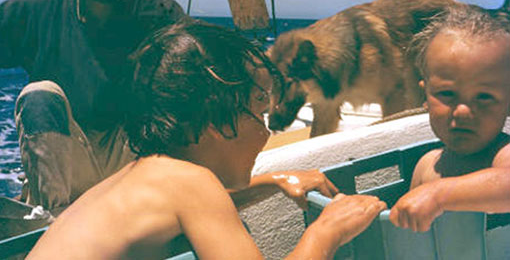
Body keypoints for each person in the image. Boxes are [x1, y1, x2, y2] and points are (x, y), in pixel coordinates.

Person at [26, 21, 387, 259]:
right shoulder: (193, 183)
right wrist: (327, 231)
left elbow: (197, 207)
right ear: (216, 119)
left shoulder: (146, 173)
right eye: (259, 110)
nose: (266, 131)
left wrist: (273, 181)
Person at [0, 0, 186, 211]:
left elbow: (195, 44)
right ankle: (54, 223)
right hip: (66, 166)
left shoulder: (145, 15)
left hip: (126, 164)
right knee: (39, 95)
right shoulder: (42, 10)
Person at [389, 6, 510, 232]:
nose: (463, 111)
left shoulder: (503, 156)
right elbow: (404, 230)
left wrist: (439, 194)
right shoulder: (427, 165)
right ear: (425, 96)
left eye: (484, 97)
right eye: (447, 94)